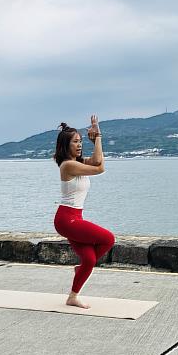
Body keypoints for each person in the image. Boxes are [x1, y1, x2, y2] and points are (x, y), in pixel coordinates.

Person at [53, 115, 115, 309]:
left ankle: (73, 296)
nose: (79, 145)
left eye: (81, 141)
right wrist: (97, 137)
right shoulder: (68, 165)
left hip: (74, 218)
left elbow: (96, 160)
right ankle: (81, 271)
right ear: (65, 145)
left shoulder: (77, 163)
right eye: (75, 142)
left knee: (89, 260)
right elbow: (101, 167)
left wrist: (97, 134)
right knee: (108, 239)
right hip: (66, 219)